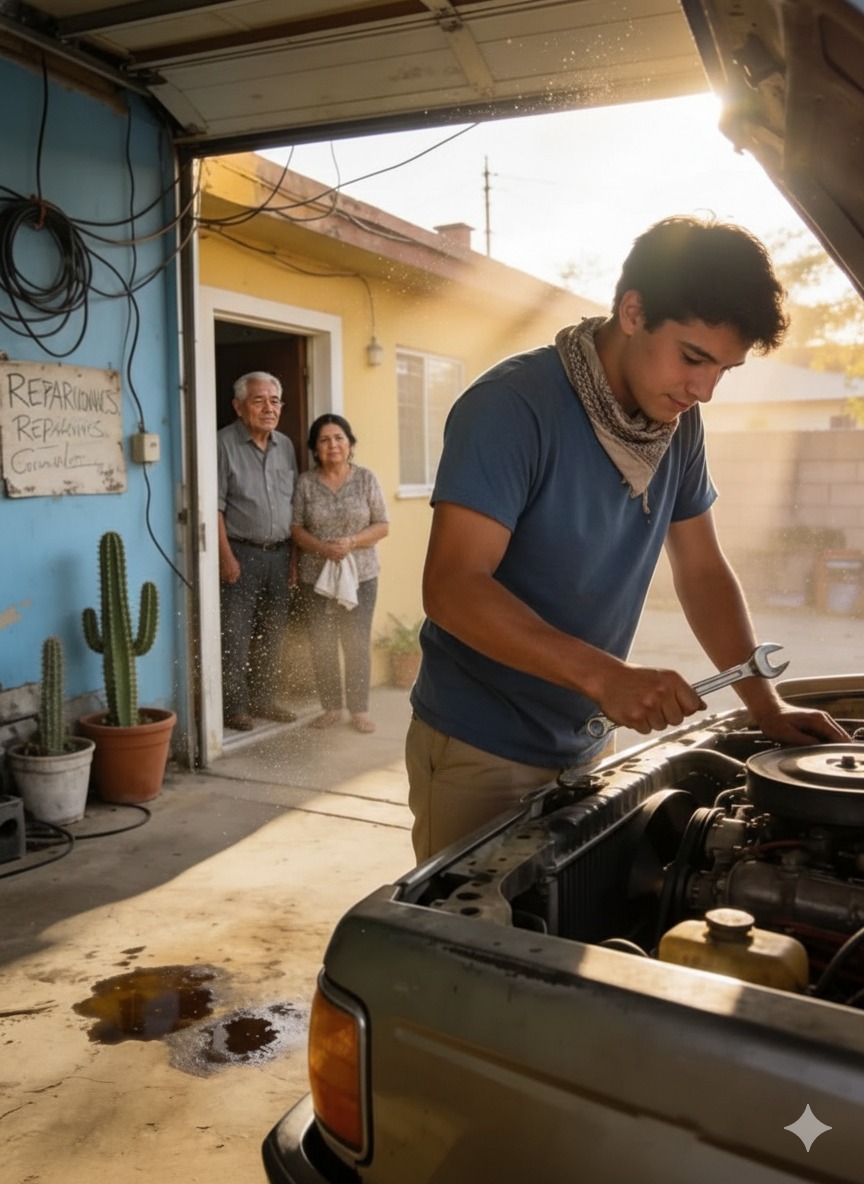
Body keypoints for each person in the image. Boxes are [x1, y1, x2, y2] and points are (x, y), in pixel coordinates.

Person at [407, 215, 849, 863]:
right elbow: (452, 586)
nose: (703, 390)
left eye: (724, 370)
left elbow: (700, 570)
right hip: (481, 749)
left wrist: (766, 704)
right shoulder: (511, 407)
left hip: (586, 741)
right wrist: (604, 675)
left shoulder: (677, 424)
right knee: (462, 950)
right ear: (634, 311)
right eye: (694, 358)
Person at [292, 413, 389, 733]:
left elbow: (382, 526)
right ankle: (331, 707)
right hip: (316, 577)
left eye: (338, 438)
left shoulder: (365, 479)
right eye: (324, 440)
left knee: (356, 641)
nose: (332, 445)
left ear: (349, 444)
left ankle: (359, 709)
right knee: (322, 641)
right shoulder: (306, 483)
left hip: (361, 575)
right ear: (315, 448)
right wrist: (323, 548)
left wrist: (351, 541)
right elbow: (295, 528)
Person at [217, 370, 298, 732]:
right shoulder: (222, 444)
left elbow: (293, 507)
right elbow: (213, 507)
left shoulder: (286, 445)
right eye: (258, 400)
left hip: (280, 554)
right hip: (241, 552)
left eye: (275, 400)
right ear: (238, 407)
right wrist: (225, 556)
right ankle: (235, 706)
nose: (269, 408)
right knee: (235, 633)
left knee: (273, 631)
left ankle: (265, 699)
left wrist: (294, 557)